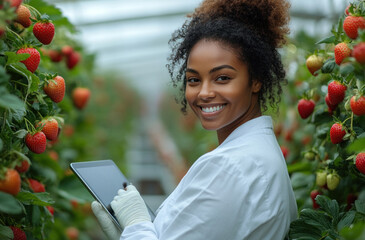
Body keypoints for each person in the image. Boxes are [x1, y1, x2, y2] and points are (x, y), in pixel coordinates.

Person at [91, 0, 298, 239]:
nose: (203, 93)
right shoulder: (258, 155)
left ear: (256, 80)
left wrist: (136, 225)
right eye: (193, 80)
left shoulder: (230, 168)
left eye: (222, 78)